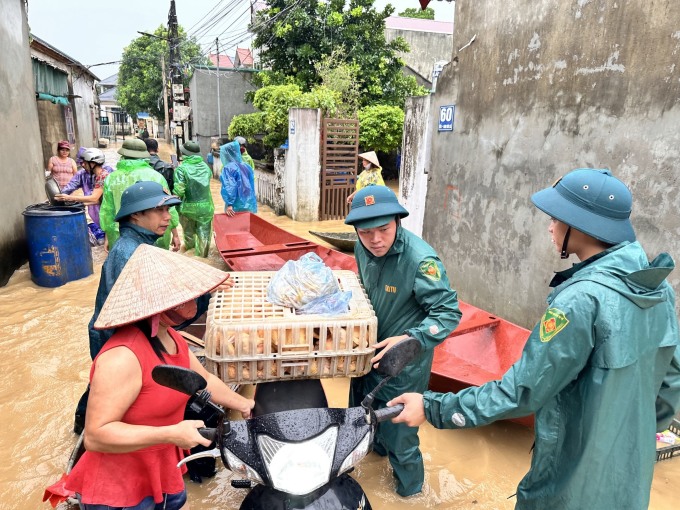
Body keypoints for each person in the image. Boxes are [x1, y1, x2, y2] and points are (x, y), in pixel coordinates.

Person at [389, 169, 680, 510]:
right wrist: (621, 435)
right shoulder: (656, 288)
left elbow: (521, 392)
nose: (550, 227)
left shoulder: (579, 301)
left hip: (569, 486)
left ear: (580, 225)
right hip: (629, 478)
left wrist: (432, 406)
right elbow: (670, 385)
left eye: (556, 218)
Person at [64, 243, 255, 510]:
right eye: (182, 296)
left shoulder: (171, 337)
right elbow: (96, 436)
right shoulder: (122, 357)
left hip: (164, 469)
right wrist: (170, 434)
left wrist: (243, 404)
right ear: (158, 304)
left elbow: (205, 382)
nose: (191, 301)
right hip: (120, 489)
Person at [344, 184, 461, 497]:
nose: (376, 240)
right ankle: (376, 455)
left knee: (401, 440)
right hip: (367, 356)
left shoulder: (422, 262)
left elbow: (448, 315)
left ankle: (411, 494)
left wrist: (411, 337)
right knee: (361, 419)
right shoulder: (361, 246)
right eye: (365, 232)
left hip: (403, 366)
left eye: (384, 229)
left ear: (398, 220)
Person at [74, 180, 183, 433]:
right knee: (108, 390)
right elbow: (140, 308)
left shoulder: (141, 245)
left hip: (119, 333)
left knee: (104, 389)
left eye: (168, 210)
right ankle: (85, 428)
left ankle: (84, 424)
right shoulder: (129, 253)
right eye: (160, 211)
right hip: (114, 336)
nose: (168, 217)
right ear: (136, 214)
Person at [99, 138, 180, 251]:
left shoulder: (111, 179)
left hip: (121, 237)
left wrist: (108, 236)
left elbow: (107, 212)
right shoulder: (156, 176)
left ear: (122, 155)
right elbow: (168, 209)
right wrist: (175, 234)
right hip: (155, 236)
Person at [173, 141, 215, 257]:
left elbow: (179, 191)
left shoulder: (181, 169)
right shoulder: (206, 168)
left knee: (189, 235)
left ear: (184, 154)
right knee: (204, 236)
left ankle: (190, 258)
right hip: (206, 208)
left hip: (188, 208)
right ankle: (203, 258)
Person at [55, 148, 110, 228]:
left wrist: (69, 197)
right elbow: (100, 199)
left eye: (85, 162)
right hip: (101, 212)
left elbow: (94, 198)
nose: (83, 165)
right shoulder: (83, 174)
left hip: (109, 213)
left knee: (108, 237)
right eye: (81, 162)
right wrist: (79, 203)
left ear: (92, 163)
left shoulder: (103, 175)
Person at [219, 139, 257, 216]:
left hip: (235, 204)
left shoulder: (228, 168)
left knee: (234, 226)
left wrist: (230, 204)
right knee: (245, 226)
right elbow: (251, 184)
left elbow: (230, 186)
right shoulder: (246, 166)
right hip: (247, 202)